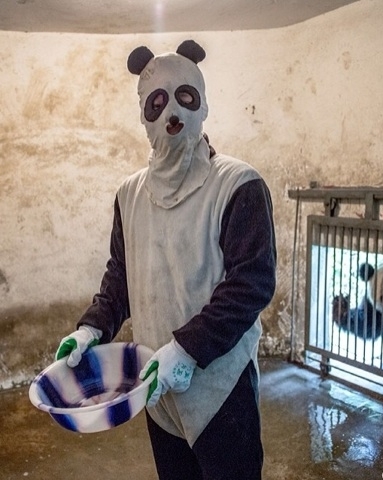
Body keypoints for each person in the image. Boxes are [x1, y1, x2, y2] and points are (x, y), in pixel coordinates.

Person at [55, 39, 277, 480]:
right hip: (156, 386)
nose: (172, 113)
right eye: (157, 102)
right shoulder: (129, 194)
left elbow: (250, 284)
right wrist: (91, 328)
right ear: (143, 115)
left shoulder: (238, 185)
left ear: (204, 104)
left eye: (185, 97)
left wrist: (188, 348)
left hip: (220, 387)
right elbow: (121, 275)